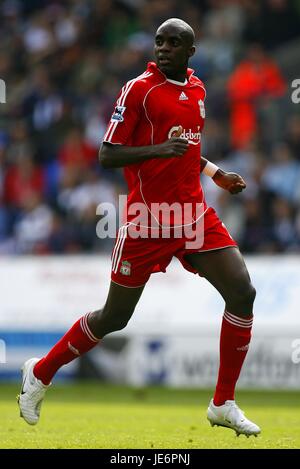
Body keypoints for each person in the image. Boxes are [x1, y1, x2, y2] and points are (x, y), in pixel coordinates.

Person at [18, 18, 260, 437]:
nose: (163, 48)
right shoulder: (138, 90)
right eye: (159, 41)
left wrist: (216, 172)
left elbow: (189, 148)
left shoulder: (198, 91)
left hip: (193, 215)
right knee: (114, 317)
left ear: (190, 52)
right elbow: (107, 155)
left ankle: (223, 402)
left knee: (242, 292)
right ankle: (40, 372)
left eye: (173, 43)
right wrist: (159, 149)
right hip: (148, 219)